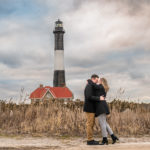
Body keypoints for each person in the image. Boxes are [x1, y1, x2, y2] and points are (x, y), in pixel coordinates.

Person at [87, 77, 119, 145]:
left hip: (100, 107)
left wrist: (89, 81)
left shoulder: (100, 86)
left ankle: (105, 139)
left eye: (98, 80)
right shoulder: (103, 88)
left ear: (101, 81)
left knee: (102, 124)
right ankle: (113, 136)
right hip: (103, 106)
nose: (97, 81)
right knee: (105, 123)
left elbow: (94, 85)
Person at [83, 74, 105, 145]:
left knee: (91, 124)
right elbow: (89, 97)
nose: (97, 81)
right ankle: (90, 140)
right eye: (96, 80)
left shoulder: (91, 85)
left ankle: (90, 139)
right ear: (93, 78)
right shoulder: (89, 86)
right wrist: (99, 98)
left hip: (91, 108)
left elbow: (97, 87)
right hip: (89, 108)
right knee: (90, 124)